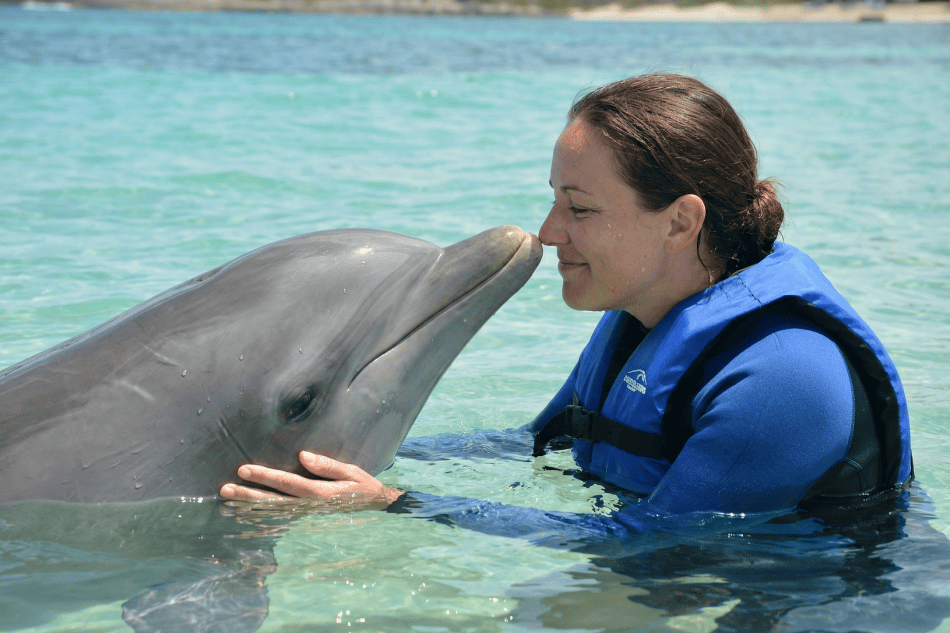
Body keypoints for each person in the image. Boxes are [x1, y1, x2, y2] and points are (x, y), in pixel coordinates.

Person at [219, 73, 913, 517]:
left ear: (680, 223)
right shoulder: (642, 318)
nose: (549, 233)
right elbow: (537, 443)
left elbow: (660, 546)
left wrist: (398, 504)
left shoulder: (785, 377)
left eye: (579, 208)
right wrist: (334, 466)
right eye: (555, 201)